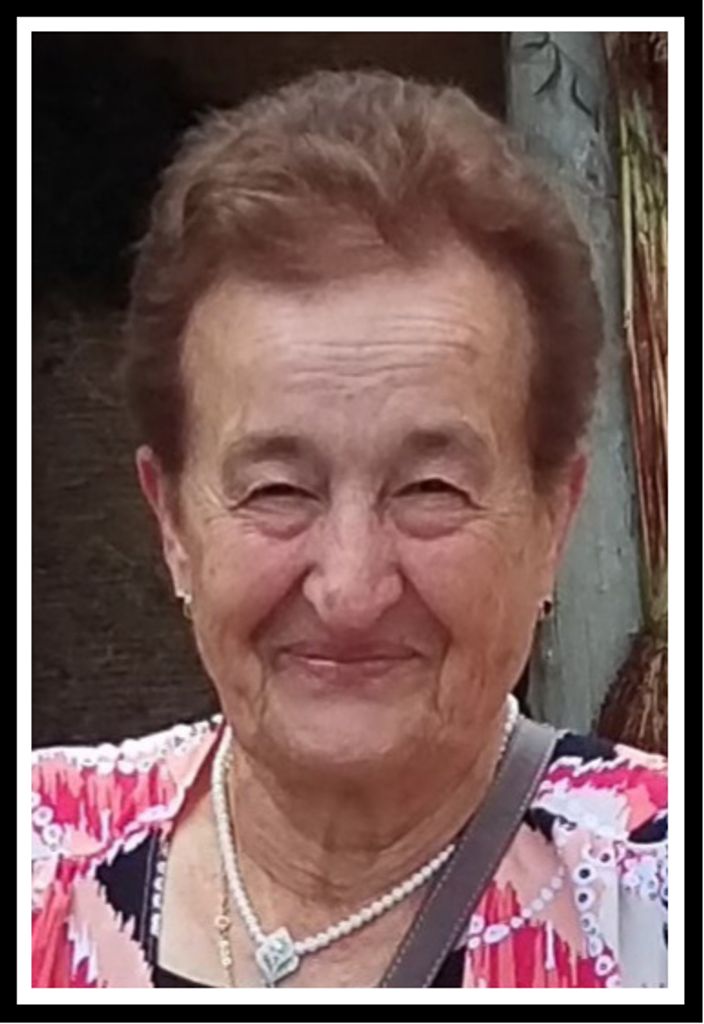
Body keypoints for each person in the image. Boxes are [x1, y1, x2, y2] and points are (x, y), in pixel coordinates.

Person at [31, 68, 667, 989]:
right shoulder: (42, 858)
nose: (351, 588)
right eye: (278, 490)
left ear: (552, 522)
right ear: (172, 522)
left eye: (431, 489)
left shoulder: (657, 901)